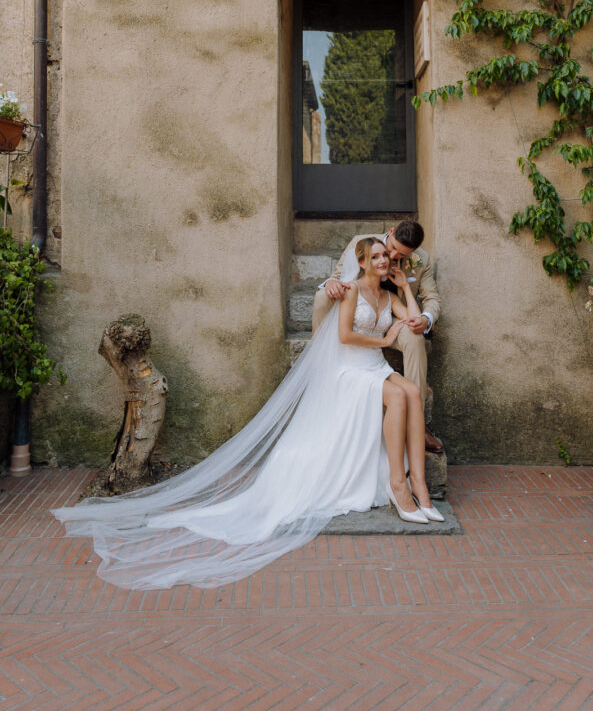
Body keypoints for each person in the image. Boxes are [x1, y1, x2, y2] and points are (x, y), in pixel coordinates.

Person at [53, 237, 443, 591]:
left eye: (384, 258)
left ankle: (420, 489)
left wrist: (405, 287)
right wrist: (384, 338)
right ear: (360, 262)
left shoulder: (386, 293)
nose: (381, 261)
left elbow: (412, 318)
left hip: (372, 366)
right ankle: (399, 485)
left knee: (409, 391)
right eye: (374, 257)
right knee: (401, 396)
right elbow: (343, 336)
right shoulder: (353, 290)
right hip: (348, 371)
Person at [312, 220, 444, 454]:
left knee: (416, 339)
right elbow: (338, 276)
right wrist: (331, 283)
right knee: (322, 295)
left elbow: (432, 298)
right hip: (361, 314)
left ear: (412, 252)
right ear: (390, 232)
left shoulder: (421, 259)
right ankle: (320, 362)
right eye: (390, 249)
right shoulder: (361, 244)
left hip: (393, 316)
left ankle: (418, 424)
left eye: (401, 254)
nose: (391, 257)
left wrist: (424, 319)